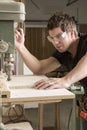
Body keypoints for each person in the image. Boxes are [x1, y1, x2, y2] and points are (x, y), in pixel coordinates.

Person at [15, 13, 87, 130]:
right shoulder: (64, 53)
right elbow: (39, 68)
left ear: (72, 33)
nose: (55, 42)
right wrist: (20, 47)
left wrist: (66, 80)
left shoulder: (85, 41)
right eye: (52, 38)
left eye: (59, 36)